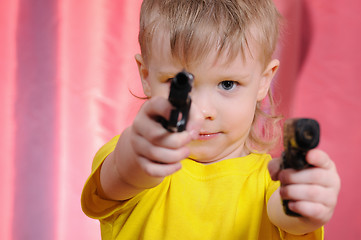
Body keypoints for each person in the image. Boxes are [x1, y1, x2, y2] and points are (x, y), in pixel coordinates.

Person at [81, 0, 340, 239]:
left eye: (228, 84)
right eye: (178, 83)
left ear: (264, 81)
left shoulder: (271, 183)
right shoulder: (130, 160)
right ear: (146, 76)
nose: (202, 111)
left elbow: (286, 217)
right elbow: (124, 175)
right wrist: (139, 154)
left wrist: (304, 200)